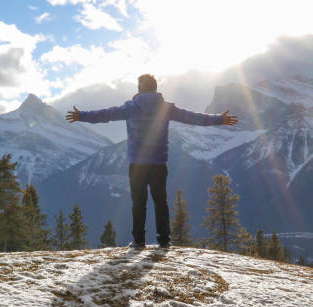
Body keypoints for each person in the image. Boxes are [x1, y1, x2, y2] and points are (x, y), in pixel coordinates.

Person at [65, 74, 238, 249]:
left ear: (139, 89)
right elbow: (194, 118)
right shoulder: (166, 108)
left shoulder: (130, 107)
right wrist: (220, 119)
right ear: (155, 88)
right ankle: (164, 240)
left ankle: (139, 241)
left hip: (137, 165)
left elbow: (105, 115)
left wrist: (81, 116)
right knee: (160, 202)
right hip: (158, 163)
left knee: (138, 203)